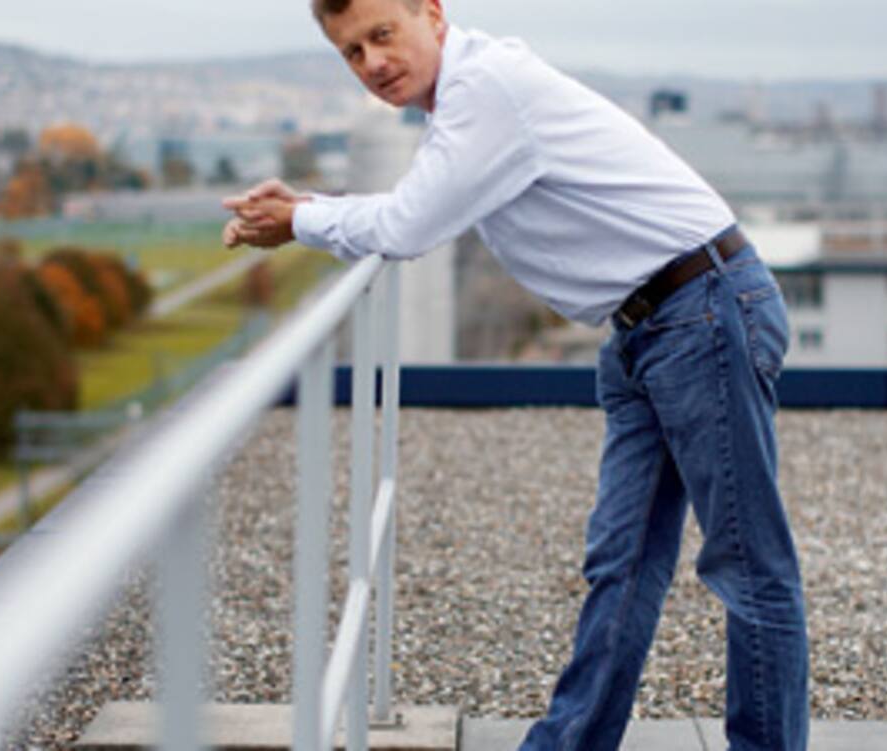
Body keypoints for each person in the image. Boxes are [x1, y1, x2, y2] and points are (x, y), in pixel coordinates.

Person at [222, 1, 809, 749]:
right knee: (620, 559)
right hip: (646, 326)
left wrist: (300, 221)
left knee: (747, 562)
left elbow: (406, 227)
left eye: (382, 35)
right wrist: (309, 206)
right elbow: (416, 204)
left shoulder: (484, 89)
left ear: (432, 13)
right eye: (352, 52)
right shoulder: (461, 104)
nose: (372, 63)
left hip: (702, 309)